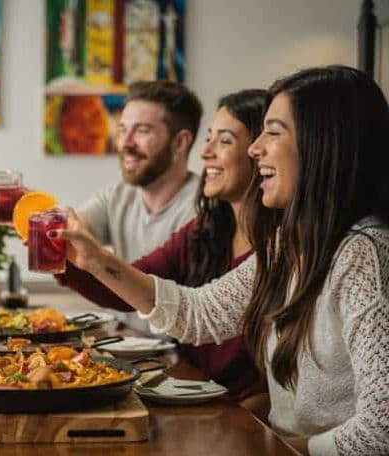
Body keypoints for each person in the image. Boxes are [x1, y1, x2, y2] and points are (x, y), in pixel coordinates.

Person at [55, 65, 389, 455]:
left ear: (323, 145)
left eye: (273, 132)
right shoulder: (288, 244)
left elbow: (381, 429)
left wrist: (276, 448)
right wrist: (93, 260)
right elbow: (197, 313)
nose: (255, 148)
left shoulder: (366, 255)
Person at [58, 89, 269, 407]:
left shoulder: (281, 247)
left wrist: (94, 259)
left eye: (224, 141)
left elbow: (193, 314)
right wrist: (70, 256)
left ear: (260, 151)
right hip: (192, 393)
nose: (205, 152)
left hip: (238, 408)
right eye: (209, 138)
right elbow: (134, 285)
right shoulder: (206, 229)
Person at [77, 80, 202, 334]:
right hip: (122, 343)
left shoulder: (202, 208)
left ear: (180, 143)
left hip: (175, 356)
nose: (125, 142)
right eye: (123, 129)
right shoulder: (117, 195)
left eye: (142, 130)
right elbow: (75, 228)